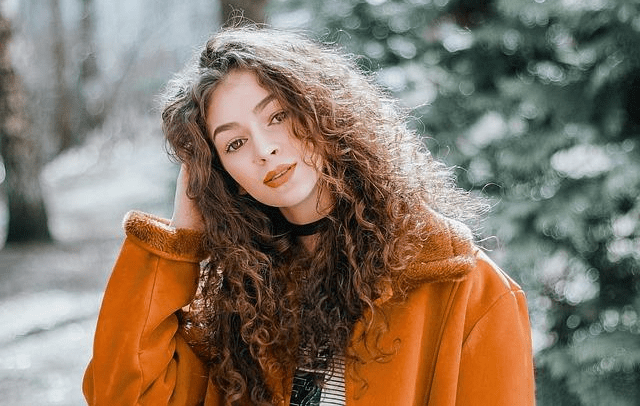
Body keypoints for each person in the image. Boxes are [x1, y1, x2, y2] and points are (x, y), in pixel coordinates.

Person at [82, 25, 535, 406]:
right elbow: (120, 394)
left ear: (323, 113)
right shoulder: (236, 300)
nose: (264, 149)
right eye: (233, 144)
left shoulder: (461, 284)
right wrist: (180, 242)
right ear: (225, 176)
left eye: (276, 116)